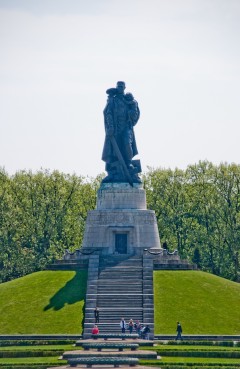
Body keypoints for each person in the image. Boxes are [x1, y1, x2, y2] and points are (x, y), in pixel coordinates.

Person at [102, 81, 141, 184]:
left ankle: (129, 164)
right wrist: (110, 126)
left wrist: (133, 109)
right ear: (116, 87)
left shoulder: (128, 100)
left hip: (126, 128)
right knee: (114, 151)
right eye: (118, 86)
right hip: (115, 129)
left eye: (121, 86)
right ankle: (112, 172)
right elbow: (108, 113)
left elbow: (135, 114)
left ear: (124, 87)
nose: (120, 88)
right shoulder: (112, 100)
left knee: (127, 144)